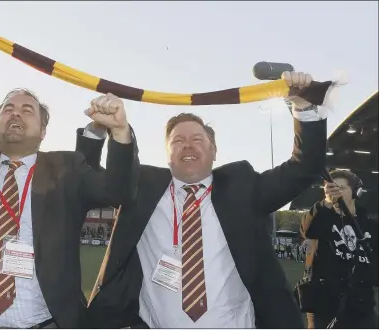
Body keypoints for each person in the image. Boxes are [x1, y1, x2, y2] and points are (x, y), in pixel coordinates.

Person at [0, 17, 139, 329]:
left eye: (27, 110)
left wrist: (120, 131)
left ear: (44, 130)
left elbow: (119, 192)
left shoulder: (65, 171)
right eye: (7, 109)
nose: (15, 113)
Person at [75, 72, 328, 328]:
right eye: (178, 141)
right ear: (167, 154)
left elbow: (305, 167)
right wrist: (110, 131)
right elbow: (90, 178)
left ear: (214, 150)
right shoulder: (141, 188)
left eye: (197, 139)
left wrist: (303, 105)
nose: (188, 146)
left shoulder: (243, 188)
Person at [300, 170, 378, 329]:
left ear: (356, 192)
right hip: (324, 306)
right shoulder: (321, 217)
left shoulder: (369, 225)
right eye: (331, 188)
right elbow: (307, 231)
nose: (336, 191)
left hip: (361, 306)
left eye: (341, 187)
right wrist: (326, 203)